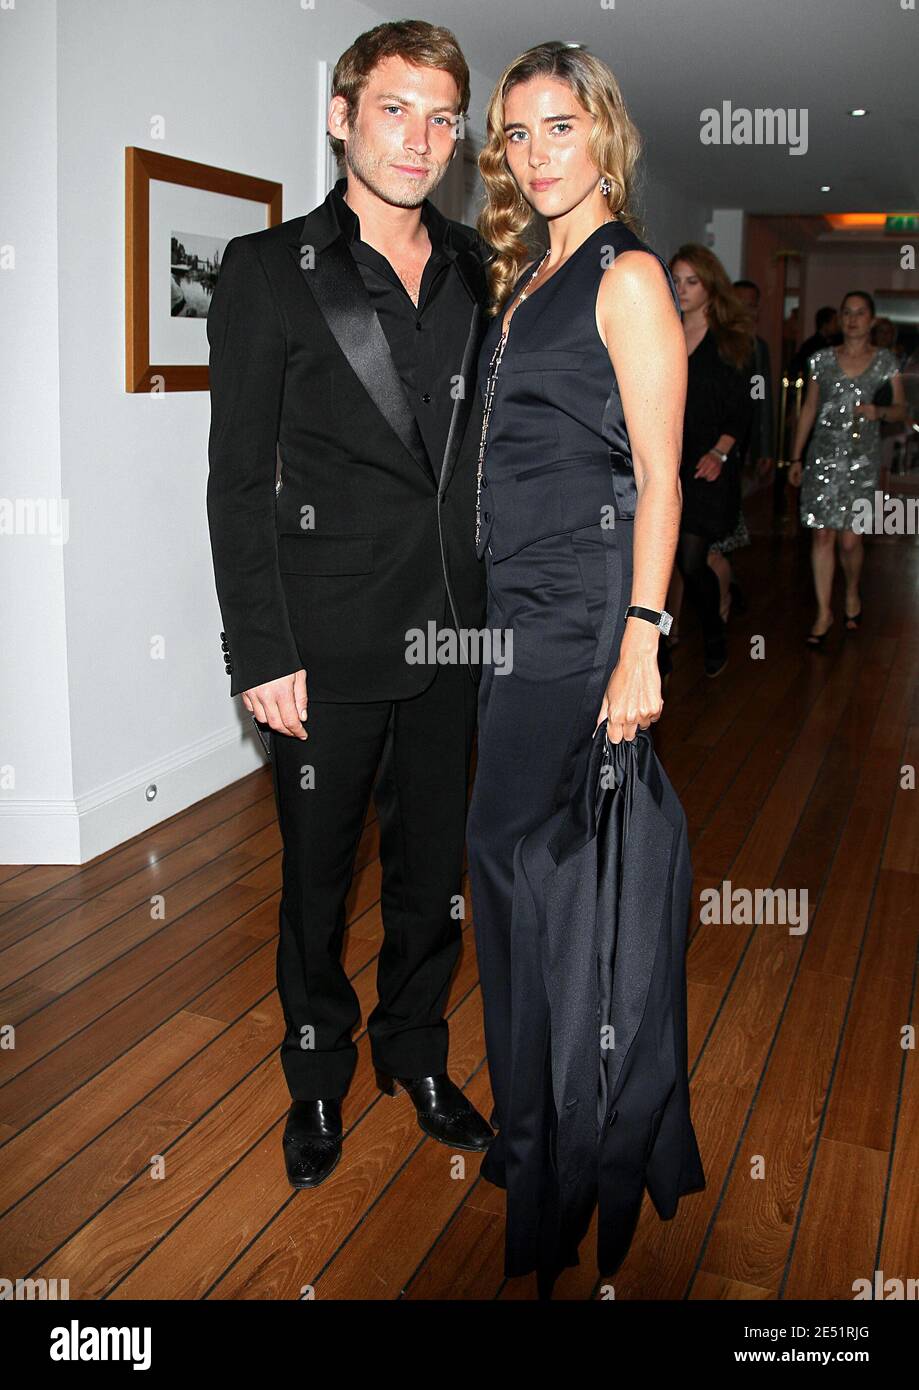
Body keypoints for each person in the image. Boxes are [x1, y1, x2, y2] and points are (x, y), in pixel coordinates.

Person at [206, 19, 496, 1190]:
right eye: (395, 108)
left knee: (431, 872)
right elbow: (236, 482)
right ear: (341, 116)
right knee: (316, 883)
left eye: (441, 117)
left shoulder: (485, 268)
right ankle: (318, 1075)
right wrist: (259, 646)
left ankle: (416, 1052)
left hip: (456, 634)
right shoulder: (269, 270)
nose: (420, 138)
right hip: (321, 647)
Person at [464, 41, 691, 1210]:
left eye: (560, 126)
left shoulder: (627, 276)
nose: (538, 152)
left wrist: (641, 640)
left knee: (512, 865)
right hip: (517, 611)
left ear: (602, 131)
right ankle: (547, 1117)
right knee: (528, 873)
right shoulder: (529, 274)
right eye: (516, 132)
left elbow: (660, 476)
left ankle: (548, 1132)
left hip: (582, 614)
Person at [788, 290, 906, 644]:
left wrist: (879, 412)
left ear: (871, 320)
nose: (852, 319)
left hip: (862, 461)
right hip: (822, 456)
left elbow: (901, 410)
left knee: (851, 542)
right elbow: (809, 408)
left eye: (859, 313)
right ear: (839, 319)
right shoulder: (821, 360)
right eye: (846, 312)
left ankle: (852, 590)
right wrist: (794, 456)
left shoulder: (886, 363)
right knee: (823, 534)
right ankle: (824, 613)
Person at [668, 245, 756, 677]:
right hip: (666, 460)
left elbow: (743, 409)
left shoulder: (732, 342)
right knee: (660, 563)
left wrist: (720, 451)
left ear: (710, 285)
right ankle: (661, 646)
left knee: (689, 559)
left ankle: (714, 633)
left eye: (692, 281)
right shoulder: (662, 330)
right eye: (678, 280)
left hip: (709, 464)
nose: (682, 289)